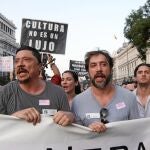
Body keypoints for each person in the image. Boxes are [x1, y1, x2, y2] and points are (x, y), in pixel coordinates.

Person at [0, 45, 74, 126]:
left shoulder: (59, 93)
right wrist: (13, 118)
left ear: (39, 66)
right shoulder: (5, 92)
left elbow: (69, 131)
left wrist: (70, 117)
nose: (20, 64)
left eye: (26, 60)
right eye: (17, 61)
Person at [71, 50, 139, 132]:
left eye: (103, 64)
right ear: (88, 72)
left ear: (111, 69)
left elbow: (137, 132)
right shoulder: (77, 102)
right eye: (93, 65)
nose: (99, 69)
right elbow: (75, 137)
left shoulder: (129, 97)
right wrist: (87, 131)